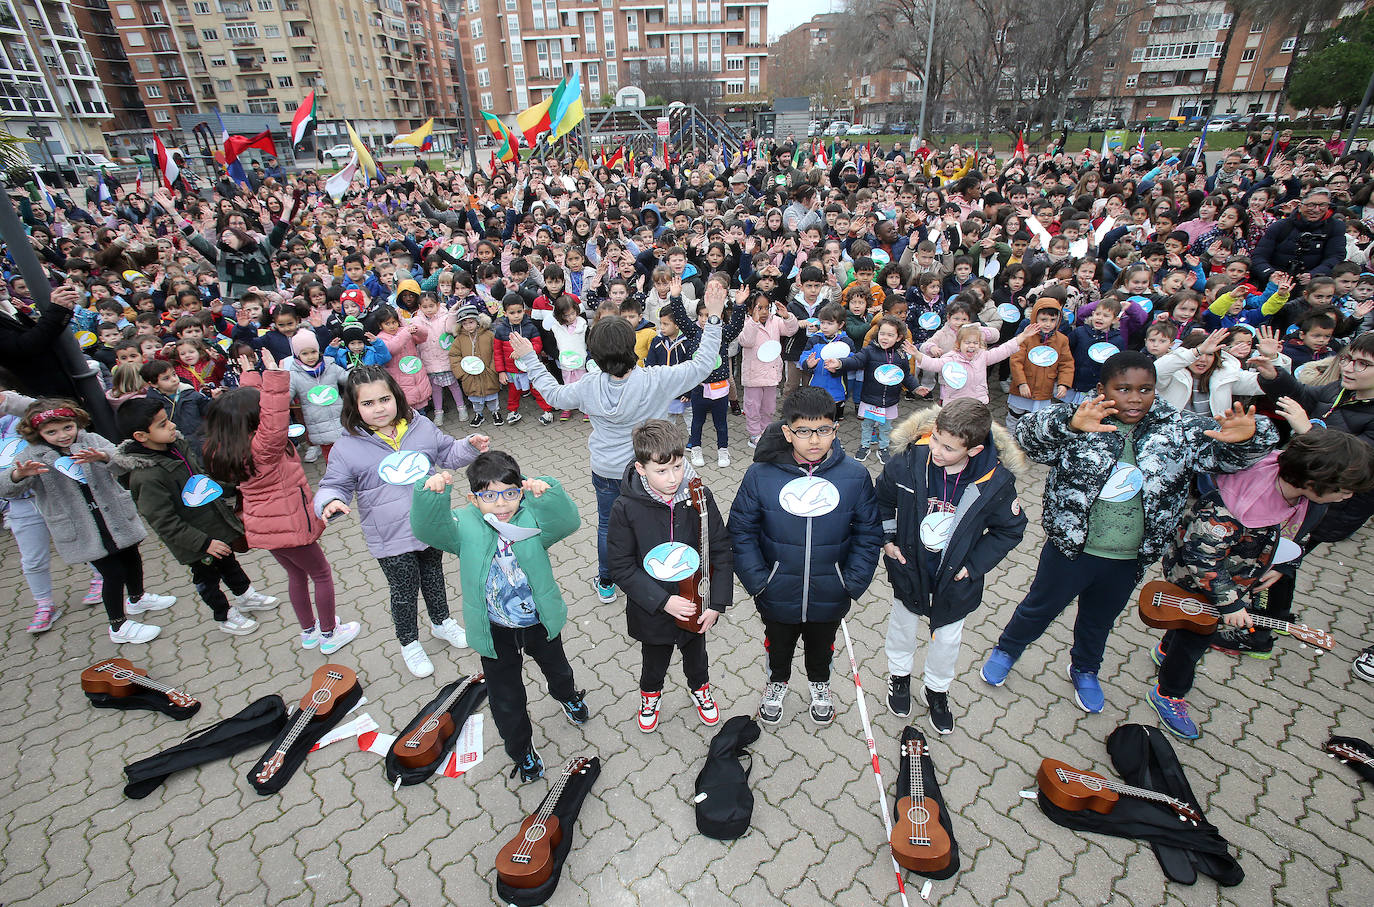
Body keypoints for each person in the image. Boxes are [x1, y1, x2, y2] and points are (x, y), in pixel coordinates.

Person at [979, 351, 1278, 713]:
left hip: (1128, 556)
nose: (1135, 398)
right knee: (1039, 607)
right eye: (1123, 389)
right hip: (1072, 548)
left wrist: (1249, 439)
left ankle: (1086, 669)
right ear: (1102, 388)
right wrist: (1070, 423)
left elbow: (1224, 460)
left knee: (1099, 620)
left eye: (1145, 389)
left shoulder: (1178, 428)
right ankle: (1007, 649)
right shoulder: (1082, 416)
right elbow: (1025, 439)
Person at [507, 283, 727, 604]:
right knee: (658, 522)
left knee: (608, 525)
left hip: (607, 471)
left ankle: (607, 581)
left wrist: (530, 358)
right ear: (633, 346)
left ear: (593, 354)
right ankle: (658, 573)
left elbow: (553, 396)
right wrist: (716, 318)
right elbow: (704, 364)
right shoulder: (656, 379)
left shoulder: (587, 386)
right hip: (651, 471)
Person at [1147, 431, 1374, 739]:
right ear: (1316, 480)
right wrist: (1229, 604)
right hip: (1200, 580)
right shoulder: (1234, 506)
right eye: (1345, 490)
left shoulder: (1302, 495)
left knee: (1188, 622)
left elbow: (1298, 531)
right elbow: (1201, 558)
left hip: (1235, 577)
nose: (1348, 497)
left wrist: (1285, 563)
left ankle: (1165, 648)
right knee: (1196, 638)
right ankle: (1168, 692)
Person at [410, 451, 588, 782]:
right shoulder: (462, 526)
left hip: (539, 620)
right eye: (489, 496)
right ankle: (521, 751)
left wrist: (547, 492)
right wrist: (429, 495)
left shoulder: (531, 518)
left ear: (520, 491)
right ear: (473, 499)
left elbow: (568, 522)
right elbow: (427, 528)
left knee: (558, 669)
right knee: (506, 698)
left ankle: (568, 696)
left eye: (510, 493)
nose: (502, 504)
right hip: (494, 631)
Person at [728, 386, 883, 726]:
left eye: (824, 430)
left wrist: (850, 582)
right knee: (778, 644)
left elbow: (869, 534)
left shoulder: (854, 477)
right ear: (787, 432)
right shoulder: (761, 475)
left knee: (821, 645)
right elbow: (740, 532)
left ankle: (820, 682)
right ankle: (777, 681)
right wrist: (759, 581)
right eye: (804, 431)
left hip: (830, 591)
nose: (814, 440)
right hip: (777, 591)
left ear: (835, 429)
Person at [315, 367, 483, 678]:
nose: (379, 408)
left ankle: (442, 622)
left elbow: (447, 453)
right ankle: (409, 643)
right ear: (354, 408)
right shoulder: (347, 447)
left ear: (397, 397)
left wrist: (470, 445)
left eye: (385, 399)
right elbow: (333, 485)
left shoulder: (419, 426)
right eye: (368, 404)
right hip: (389, 536)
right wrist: (329, 501)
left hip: (430, 523)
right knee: (404, 589)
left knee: (433, 574)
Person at [877, 400, 1028, 734]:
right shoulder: (907, 461)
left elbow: (1010, 530)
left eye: (948, 448)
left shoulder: (996, 482)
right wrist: (887, 538)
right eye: (935, 439)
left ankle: (937, 689)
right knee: (902, 625)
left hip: (956, 579)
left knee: (946, 639)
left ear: (973, 450)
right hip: (910, 567)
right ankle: (899, 677)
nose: (936, 450)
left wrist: (973, 567)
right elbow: (882, 499)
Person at [202, 350, 360, 655]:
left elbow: (249, 407)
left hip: (267, 529)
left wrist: (249, 378)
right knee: (322, 575)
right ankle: (329, 633)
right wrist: (274, 375)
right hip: (290, 526)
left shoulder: (229, 446)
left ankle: (309, 632)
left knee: (296, 576)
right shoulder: (264, 448)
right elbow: (273, 417)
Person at [0, 398, 177, 643]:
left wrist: (104, 457)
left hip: (113, 515)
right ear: (37, 432)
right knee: (112, 573)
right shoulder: (32, 455)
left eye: (67, 428)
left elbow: (124, 462)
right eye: (51, 432)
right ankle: (118, 625)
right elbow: (5, 488)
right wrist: (19, 474)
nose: (62, 436)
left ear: (77, 422)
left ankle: (137, 598)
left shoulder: (90, 440)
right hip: (82, 526)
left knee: (132, 557)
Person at [607, 419, 733, 733]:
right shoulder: (625, 507)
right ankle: (650, 695)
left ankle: (700, 688)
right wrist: (663, 601)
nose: (672, 478)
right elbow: (621, 565)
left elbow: (720, 548)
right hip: (652, 607)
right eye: (661, 471)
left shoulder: (699, 497)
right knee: (654, 659)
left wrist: (716, 603)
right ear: (641, 468)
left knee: (696, 655)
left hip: (696, 601)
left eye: (678, 467)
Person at [113, 398, 278, 636]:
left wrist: (232, 488)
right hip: (195, 542)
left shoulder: (177, 448)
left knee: (229, 563)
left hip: (214, 524)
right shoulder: (147, 477)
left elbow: (200, 479)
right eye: (162, 424)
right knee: (207, 579)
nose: (171, 426)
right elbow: (164, 521)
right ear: (141, 436)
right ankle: (223, 614)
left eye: (168, 419)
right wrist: (203, 543)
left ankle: (245, 595)